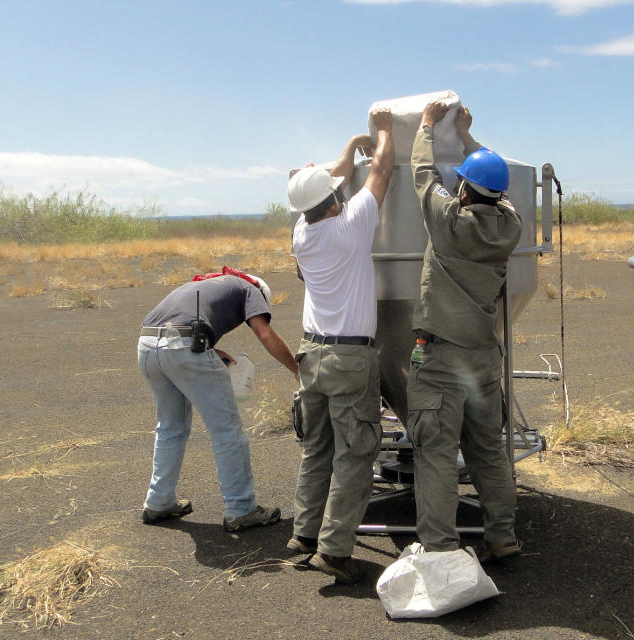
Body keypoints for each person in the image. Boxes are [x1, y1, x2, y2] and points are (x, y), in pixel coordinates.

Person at [406, 101, 523, 562]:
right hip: (483, 358)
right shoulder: (510, 225)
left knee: (436, 454)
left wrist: (426, 127)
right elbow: (498, 184)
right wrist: (469, 137)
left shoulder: (450, 221)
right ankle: (502, 537)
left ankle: (440, 549)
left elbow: (421, 174)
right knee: (488, 452)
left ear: (465, 192)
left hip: (440, 360)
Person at [286, 108, 394, 584]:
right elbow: (384, 171)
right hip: (350, 357)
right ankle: (334, 550)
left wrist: (350, 147)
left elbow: (327, 182)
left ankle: (303, 535)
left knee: (317, 449)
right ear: (333, 199)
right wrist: (384, 129)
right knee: (355, 453)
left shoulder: (301, 234)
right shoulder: (352, 226)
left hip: (311, 353)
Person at [138, 267, 296, 532]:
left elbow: (177, 322)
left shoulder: (207, 285)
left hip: (147, 344)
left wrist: (211, 348)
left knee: (170, 427)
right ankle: (241, 508)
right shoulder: (250, 289)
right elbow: (265, 333)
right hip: (184, 345)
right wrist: (297, 370)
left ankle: (159, 501)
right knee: (227, 430)